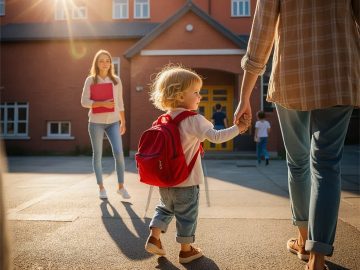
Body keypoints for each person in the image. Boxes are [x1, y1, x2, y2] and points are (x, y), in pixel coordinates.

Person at [233, 1, 360, 270]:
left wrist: (244, 97)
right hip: (340, 71)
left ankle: (303, 242)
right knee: (327, 164)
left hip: (291, 75)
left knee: (299, 162)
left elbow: (261, 35)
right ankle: (317, 258)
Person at [144, 65, 250, 263]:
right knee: (186, 215)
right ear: (181, 96)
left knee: (164, 208)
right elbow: (217, 137)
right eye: (196, 92)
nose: (200, 96)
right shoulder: (194, 119)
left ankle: (154, 238)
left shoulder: (162, 119)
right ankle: (186, 251)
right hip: (187, 180)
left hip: (165, 181)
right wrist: (239, 127)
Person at [81, 50, 130, 200]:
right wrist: (101, 104)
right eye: (101, 61)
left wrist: (123, 121)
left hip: (114, 122)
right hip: (96, 123)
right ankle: (101, 188)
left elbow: (120, 103)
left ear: (111, 63)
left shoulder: (116, 80)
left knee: (119, 154)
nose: (104, 64)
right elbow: (84, 102)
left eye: (107, 61)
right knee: (98, 156)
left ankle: (121, 187)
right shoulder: (91, 80)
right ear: (97, 63)